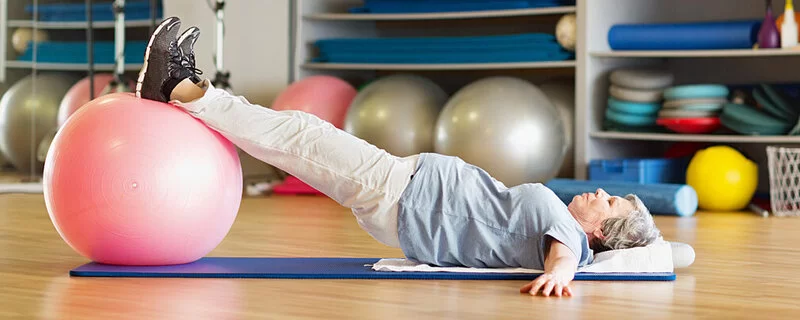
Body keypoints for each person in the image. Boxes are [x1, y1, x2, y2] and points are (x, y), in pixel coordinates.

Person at [135, 17, 662, 298]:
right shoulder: (570, 224)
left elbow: (564, 259)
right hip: (409, 193)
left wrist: (562, 277)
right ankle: (189, 89)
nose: (599, 192)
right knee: (300, 135)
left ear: (599, 235)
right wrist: (656, 245)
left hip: (406, 197)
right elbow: (663, 254)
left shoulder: (569, 239)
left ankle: (181, 86)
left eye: (610, 203)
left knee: (296, 136)